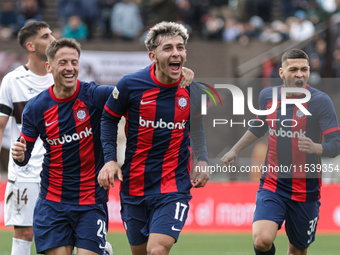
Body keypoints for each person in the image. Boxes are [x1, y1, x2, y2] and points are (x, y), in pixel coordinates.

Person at [10, 37, 195, 255]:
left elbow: (137, 88)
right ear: (49, 67)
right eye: (63, 63)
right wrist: (19, 154)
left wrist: (171, 72)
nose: (70, 68)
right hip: (52, 202)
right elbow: (23, 155)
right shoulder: (36, 107)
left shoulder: (95, 95)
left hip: (90, 201)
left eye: (74, 62)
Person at [98, 21, 209, 255]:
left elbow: (196, 128)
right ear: (153, 55)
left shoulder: (193, 90)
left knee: (157, 250)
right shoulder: (131, 85)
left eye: (180, 47)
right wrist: (110, 159)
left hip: (173, 186)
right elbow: (108, 119)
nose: (176, 52)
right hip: (134, 186)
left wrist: (202, 159)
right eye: (168, 48)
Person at [221, 49, 340, 255]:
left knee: (297, 252)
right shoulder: (268, 96)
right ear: (282, 73)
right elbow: (258, 126)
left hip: (306, 190)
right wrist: (235, 150)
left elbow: (336, 144)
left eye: (304, 69)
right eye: (293, 69)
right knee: (261, 240)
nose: (299, 74)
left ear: (309, 71)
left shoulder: (321, 101)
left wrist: (317, 148)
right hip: (273, 183)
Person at [0, 21, 55, 255]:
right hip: (25, 173)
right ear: (31, 46)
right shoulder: (12, 81)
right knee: (24, 233)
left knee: (60, 233)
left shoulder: (62, 76)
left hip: (60, 171)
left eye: (52, 34)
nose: (53, 39)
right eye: (46, 36)